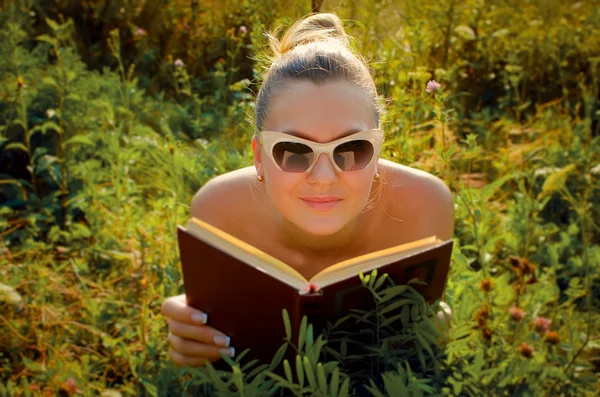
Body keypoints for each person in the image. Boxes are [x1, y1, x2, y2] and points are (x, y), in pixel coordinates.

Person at [161, 12, 454, 368]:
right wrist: (191, 336)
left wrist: (435, 331)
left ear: (378, 151)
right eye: (293, 151)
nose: (324, 177)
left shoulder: (425, 208)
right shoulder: (216, 212)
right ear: (258, 157)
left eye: (352, 149)